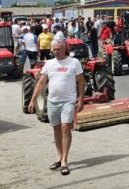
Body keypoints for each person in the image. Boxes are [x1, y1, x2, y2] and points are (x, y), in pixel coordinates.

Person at [28, 39, 85, 176]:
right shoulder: (49, 64)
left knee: (66, 127)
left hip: (68, 101)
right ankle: (59, 157)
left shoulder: (74, 62)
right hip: (52, 102)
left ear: (65, 48)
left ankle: (65, 161)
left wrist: (81, 99)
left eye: (58, 49)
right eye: (54, 50)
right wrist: (32, 100)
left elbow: (81, 81)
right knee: (57, 129)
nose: (56, 52)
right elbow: (41, 83)